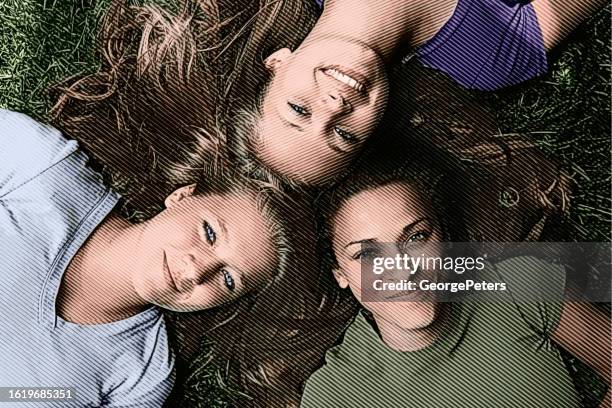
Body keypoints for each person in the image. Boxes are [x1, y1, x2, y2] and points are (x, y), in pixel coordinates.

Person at [0, 108, 306, 407]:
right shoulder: (48, 173)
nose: (198, 271)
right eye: (209, 233)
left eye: (229, 279)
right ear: (182, 197)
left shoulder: (143, 377)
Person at [299, 147, 611, 407]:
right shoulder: (334, 394)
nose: (404, 270)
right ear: (340, 273)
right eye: (367, 254)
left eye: (416, 237)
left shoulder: (516, 284)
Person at [239, 0, 606, 185]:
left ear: (276, 62)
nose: (334, 107)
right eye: (344, 135)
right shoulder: (485, 58)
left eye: (299, 111)